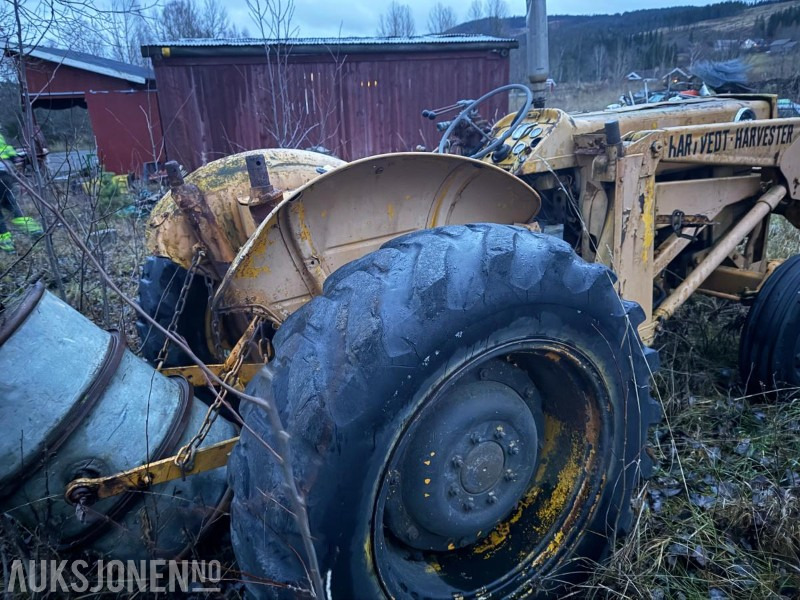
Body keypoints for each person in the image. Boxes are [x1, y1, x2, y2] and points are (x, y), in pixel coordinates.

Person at [0, 132, 43, 253]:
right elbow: (14, 156)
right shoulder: (1, 138)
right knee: (10, 206)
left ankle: (6, 244)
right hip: (6, 177)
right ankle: (34, 229)